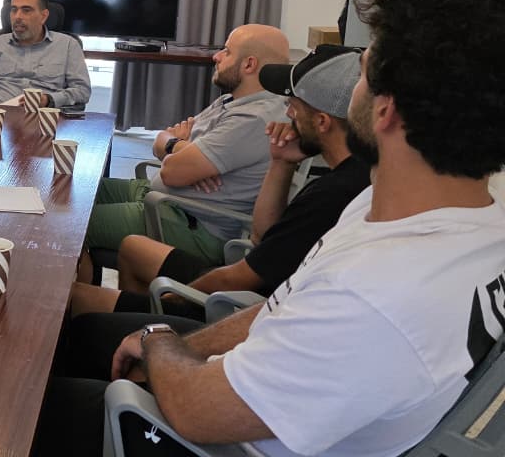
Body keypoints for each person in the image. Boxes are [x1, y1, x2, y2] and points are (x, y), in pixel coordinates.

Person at [34, 0, 505, 456]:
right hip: (248, 387)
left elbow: (195, 410)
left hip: (215, 433)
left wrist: (157, 342)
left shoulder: (374, 295)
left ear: (386, 111)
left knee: (25, 406)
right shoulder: (447, 220)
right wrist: (182, 343)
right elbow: (284, 304)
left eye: (363, 71)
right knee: (80, 337)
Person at [68, 44, 371, 321]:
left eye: (294, 103)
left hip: (238, 309)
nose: (286, 110)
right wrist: (281, 162)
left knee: (76, 282)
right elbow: (262, 237)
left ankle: (124, 327)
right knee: (130, 244)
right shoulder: (348, 174)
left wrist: (171, 301)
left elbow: (239, 277)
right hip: (242, 283)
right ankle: (127, 325)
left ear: (322, 122)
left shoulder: (332, 196)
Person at [81, 24, 290, 271]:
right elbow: (163, 139)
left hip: (190, 222)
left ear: (249, 64)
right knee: (76, 192)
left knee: (70, 226)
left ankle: (77, 294)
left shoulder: (253, 119)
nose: (216, 56)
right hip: (163, 199)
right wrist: (183, 150)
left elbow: (172, 171)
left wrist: (178, 151)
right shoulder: (232, 100)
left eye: (226, 51)